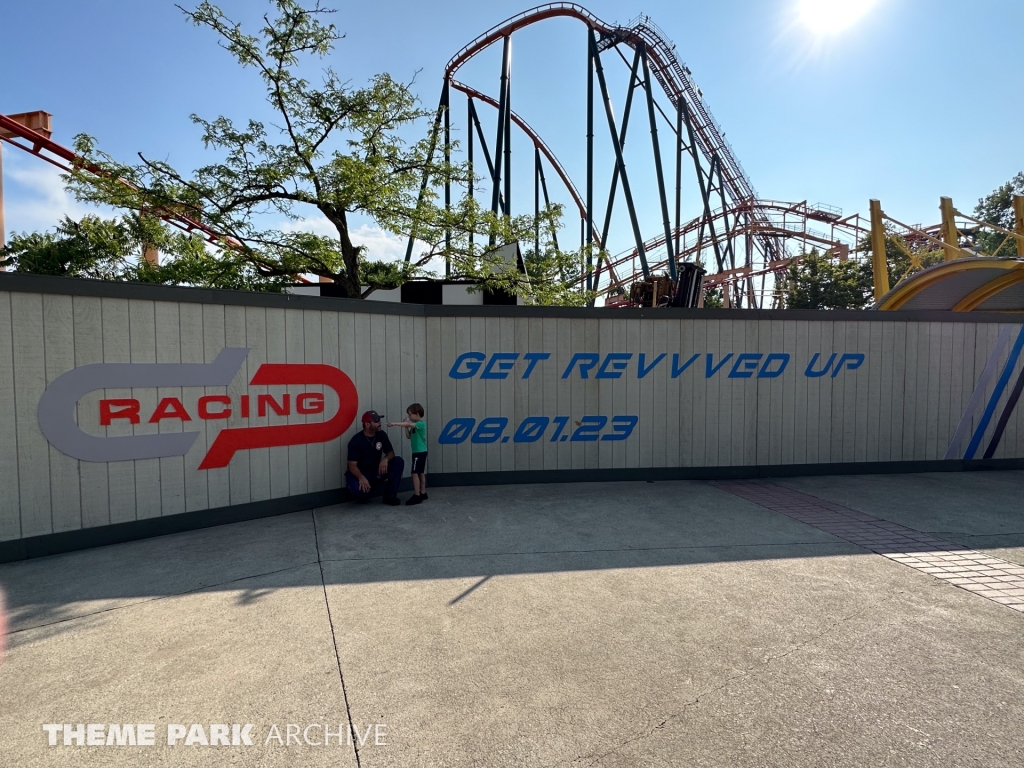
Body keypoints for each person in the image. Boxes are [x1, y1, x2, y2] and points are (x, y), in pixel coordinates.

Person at [346, 410, 404, 505]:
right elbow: (352, 465)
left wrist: (385, 459)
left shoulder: (381, 435)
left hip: (376, 471)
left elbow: (391, 453)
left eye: (379, 420)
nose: (379, 423)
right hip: (361, 473)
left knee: (398, 461)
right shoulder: (356, 440)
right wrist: (361, 478)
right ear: (367, 424)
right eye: (376, 421)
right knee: (359, 493)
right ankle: (366, 492)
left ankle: (390, 496)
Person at [388, 404, 428, 506]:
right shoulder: (414, 424)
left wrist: (394, 423)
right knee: (420, 472)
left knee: (414, 473)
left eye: (410, 414)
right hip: (417, 452)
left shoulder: (420, 424)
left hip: (420, 452)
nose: (409, 416)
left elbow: (409, 425)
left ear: (417, 414)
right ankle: (423, 492)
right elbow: (409, 436)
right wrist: (405, 427)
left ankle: (417, 495)